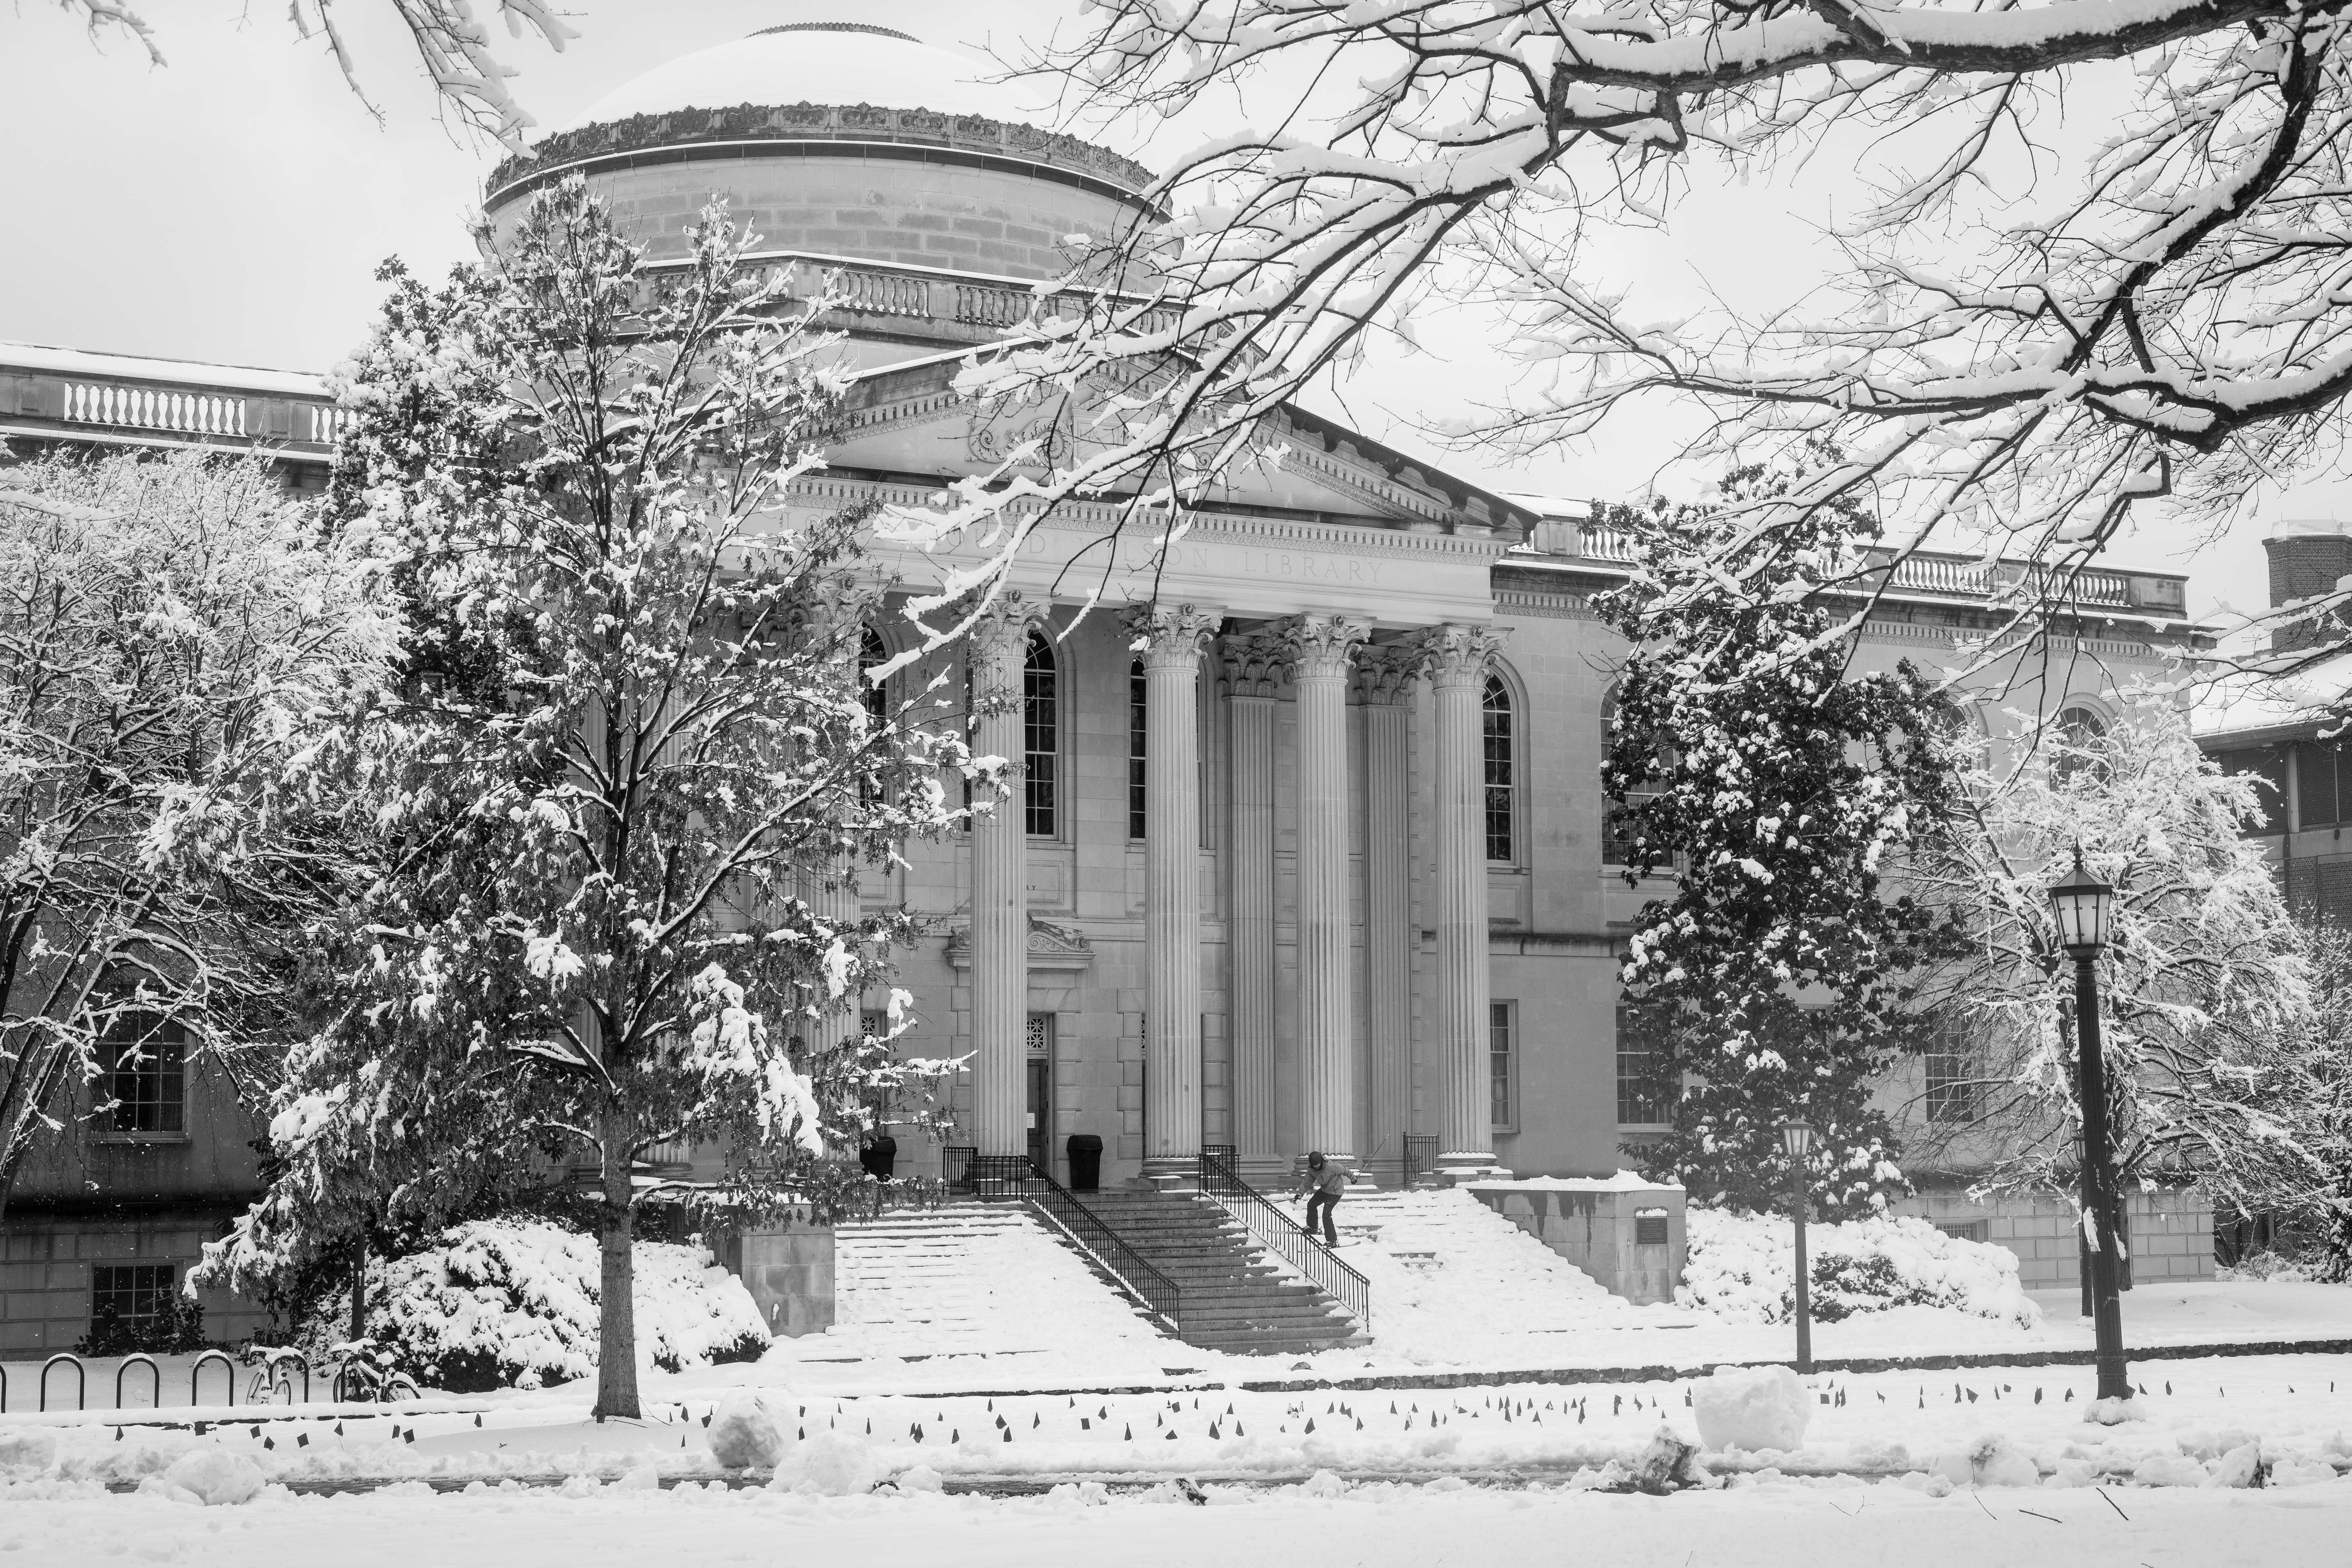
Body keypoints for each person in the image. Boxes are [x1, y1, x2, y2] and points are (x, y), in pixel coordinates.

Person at [1290, 1150, 1349, 1246]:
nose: (1317, 1166)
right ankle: (1312, 1227)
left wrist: (1354, 1179)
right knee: (1312, 1204)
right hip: (1325, 1190)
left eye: (1318, 1165)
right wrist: (1300, 1194)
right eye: (1315, 1165)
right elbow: (1307, 1182)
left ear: (1321, 1161)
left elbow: (1345, 1170)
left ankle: (1332, 1240)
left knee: (1326, 1214)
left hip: (1335, 1192)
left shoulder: (1331, 1166)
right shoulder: (1312, 1170)